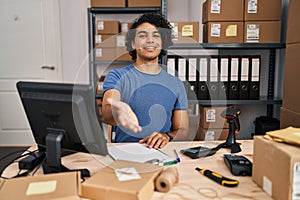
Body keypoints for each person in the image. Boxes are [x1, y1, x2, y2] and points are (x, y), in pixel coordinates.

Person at [101, 13, 189, 149]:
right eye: (142, 36)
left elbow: (182, 130)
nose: (150, 40)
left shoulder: (176, 84)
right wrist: (118, 112)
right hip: (126, 153)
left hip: (161, 154)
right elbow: (107, 113)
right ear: (133, 43)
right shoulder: (117, 76)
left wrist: (166, 136)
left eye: (156, 35)